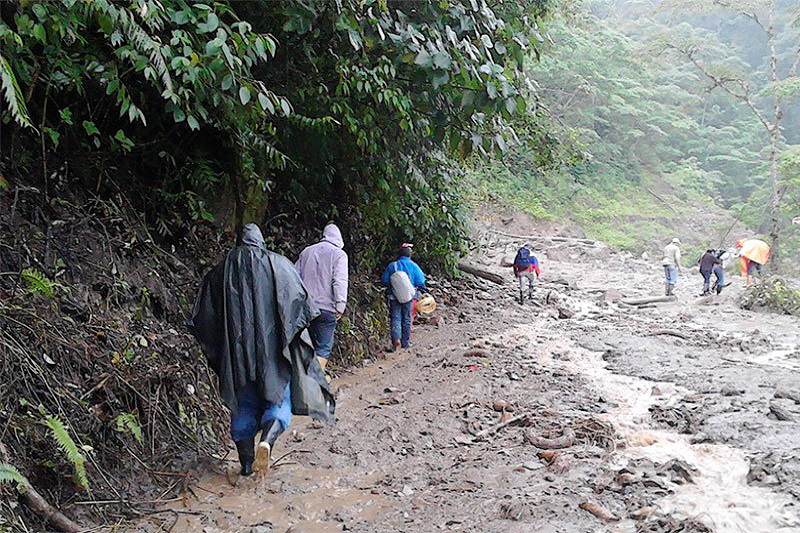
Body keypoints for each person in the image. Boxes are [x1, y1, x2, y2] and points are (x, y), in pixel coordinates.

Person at [188, 224, 335, 477]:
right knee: (278, 399)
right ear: (260, 241)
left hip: (235, 361)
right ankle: (267, 441)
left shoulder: (218, 273)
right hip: (274, 356)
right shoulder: (280, 266)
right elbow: (301, 306)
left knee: (242, 408)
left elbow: (203, 321)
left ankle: (245, 466)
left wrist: (221, 354)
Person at [295, 223, 348, 372]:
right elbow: (339, 280)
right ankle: (315, 383)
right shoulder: (338, 254)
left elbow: (294, 277)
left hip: (305, 308)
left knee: (305, 345)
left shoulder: (306, 252)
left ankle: (303, 381)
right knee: (323, 348)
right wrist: (340, 304)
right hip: (326, 309)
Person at [381, 243, 426, 351]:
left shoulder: (392, 265)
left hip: (393, 296)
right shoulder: (414, 266)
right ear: (410, 255)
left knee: (395, 318)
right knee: (406, 318)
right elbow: (421, 281)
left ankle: (396, 340)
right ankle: (405, 343)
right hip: (409, 297)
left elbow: (384, 280)